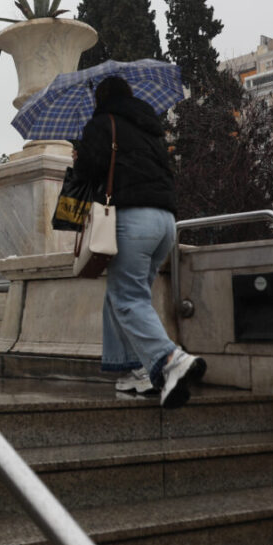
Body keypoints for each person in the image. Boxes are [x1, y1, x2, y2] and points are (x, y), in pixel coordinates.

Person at [72, 76, 206, 409]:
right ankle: (137, 371)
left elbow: (88, 172)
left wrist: (80, 155)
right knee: (124, 297)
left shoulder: (103, 124)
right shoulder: (150, 129)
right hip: (165, 222)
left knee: (127, 298)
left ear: (101, 99)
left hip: (132, 218)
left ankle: (171, 359)